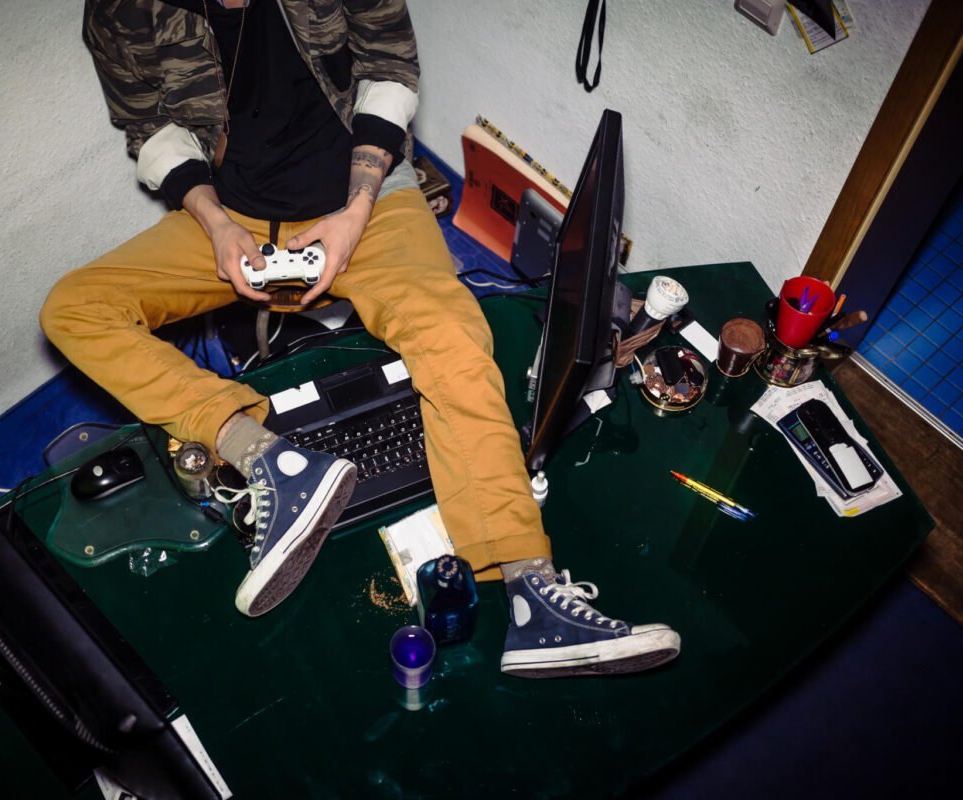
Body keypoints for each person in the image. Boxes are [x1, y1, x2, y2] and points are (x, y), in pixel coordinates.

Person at [41, 0, 680, 677]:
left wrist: (354, 213)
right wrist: (215, 223)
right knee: (75, 309)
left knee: (454, 334)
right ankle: (271, 461)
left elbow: (390, 63)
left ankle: (532, 597)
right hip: (230, 212)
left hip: (363, 199)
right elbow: (148, 124)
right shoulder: (118, 8)